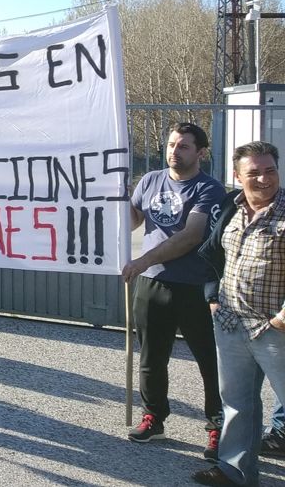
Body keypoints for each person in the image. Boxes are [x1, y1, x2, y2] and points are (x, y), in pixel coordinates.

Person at [121, 122, 225, 458]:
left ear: (200, 152)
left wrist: (142, 260)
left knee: (211, 360)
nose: (174, 151)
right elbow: (133, 219)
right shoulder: (151, 180)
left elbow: (191, 235)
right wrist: (112, 200)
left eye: (183, 146)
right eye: (170, 144)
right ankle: (154, 418)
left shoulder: (209, 189)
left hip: (195, 286)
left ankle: (218, 426)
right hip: (152, 282)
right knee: (152, 356)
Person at [192, 141, 285, 487]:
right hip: (231, 325)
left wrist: (282, 319)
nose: (263, 178)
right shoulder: (230, 205)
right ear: (237, 176)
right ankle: (236, 471)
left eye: (270, 170)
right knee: (237, 403)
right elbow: (214, 254)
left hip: (275, 330)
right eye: (254, 172)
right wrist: (212, 298)